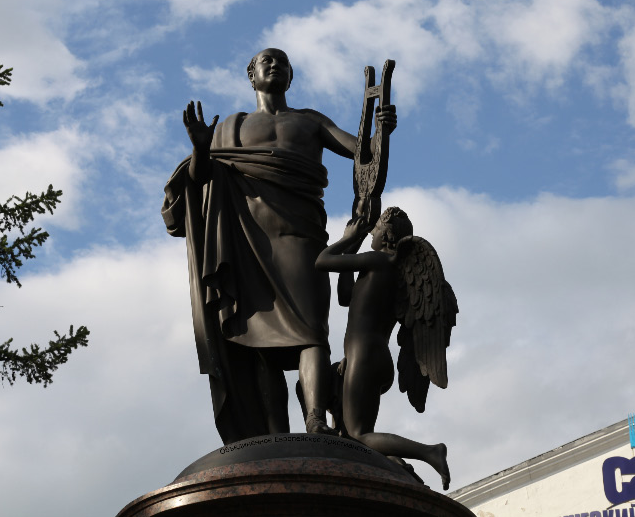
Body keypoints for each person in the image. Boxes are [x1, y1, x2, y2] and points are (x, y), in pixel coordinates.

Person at [162, 48, 395, 443]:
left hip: (300, 240)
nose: (274, 65)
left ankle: (316, 419)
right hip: (248, 245)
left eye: (282, 63)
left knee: (311, 332)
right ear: (251, 75)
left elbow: (362, 153)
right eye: (265, 61)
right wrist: (201, 147)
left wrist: (381, 131)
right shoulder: (229, 127)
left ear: (291, 77)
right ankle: (273, 435)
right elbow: (200, 180)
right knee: (259, 344)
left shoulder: (309, 121)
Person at [315, 208, 452, 490]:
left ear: (386, 235)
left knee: (358, 434)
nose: (372, 234)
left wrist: (347, 238)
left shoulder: (378, 260)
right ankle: (394, 464)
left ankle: (430, 451)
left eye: (375, 230)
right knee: (351, 432)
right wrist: (354, 244)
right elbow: (344, 296)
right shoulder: (385, 270)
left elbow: (322, 261)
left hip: (364, 356)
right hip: (371, 358)